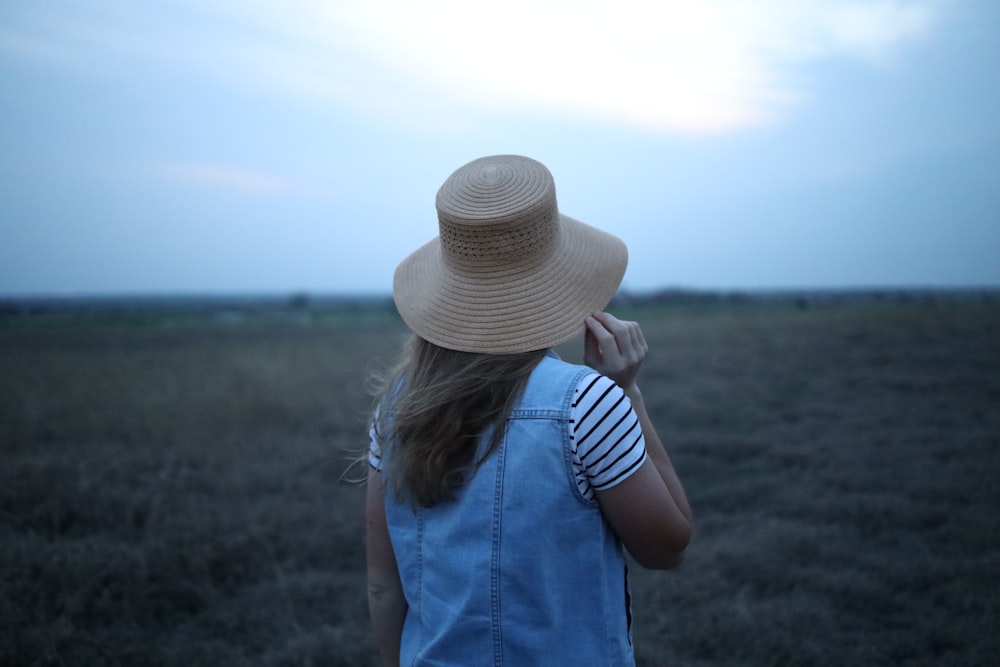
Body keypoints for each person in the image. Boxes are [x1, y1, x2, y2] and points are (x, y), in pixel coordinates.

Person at [366, 155, 692, 667]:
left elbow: (385, 588)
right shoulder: (586, 402)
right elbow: (667, 547)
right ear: (558, 275)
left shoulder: (397, 408)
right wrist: (628, 393)